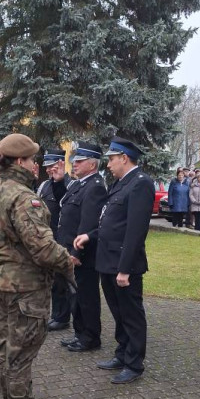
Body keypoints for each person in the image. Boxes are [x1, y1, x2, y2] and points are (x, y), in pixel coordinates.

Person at [0, 133, 75, 399]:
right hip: (25, 289)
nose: (36, 165)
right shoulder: (23, 198)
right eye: (32, 159)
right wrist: (68, 261)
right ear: (20, 161)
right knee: (20, 355)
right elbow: (43, 249)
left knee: (9, 348)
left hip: (1, 283)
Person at [74, 136, 155, 384]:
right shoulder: (121, 183)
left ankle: (134, 363)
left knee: (131, 314)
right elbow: (110, 223)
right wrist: (89, 235)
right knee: (118, 313)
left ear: (124, 158)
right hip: (107, 262)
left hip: (123, 266)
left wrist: (125, 269)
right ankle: (122, 353)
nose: (108, 164)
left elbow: (135, 231)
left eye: (111, 159)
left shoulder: (140, 184)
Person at [57, 141, 107, 352]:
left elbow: (88, 223)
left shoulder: (95, 186)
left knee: (86, 297)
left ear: (92, 164)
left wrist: (77, 252)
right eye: (74, 160)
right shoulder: (79, 183)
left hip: (82, 254)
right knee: (74, 295)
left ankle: (90, 337)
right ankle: (79, 333)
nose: (74, 164)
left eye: (79, 161)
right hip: (69, 249)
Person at [38, 149, 72, 331]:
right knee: (52, 280)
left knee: (62, 280)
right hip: (46, 238)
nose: (50, 170)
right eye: (47, 167)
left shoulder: (70, 183)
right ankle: (56, 314)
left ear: (60, 163)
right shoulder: (44, 185)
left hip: (61, 238)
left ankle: (62, 317)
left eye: (52, 166)